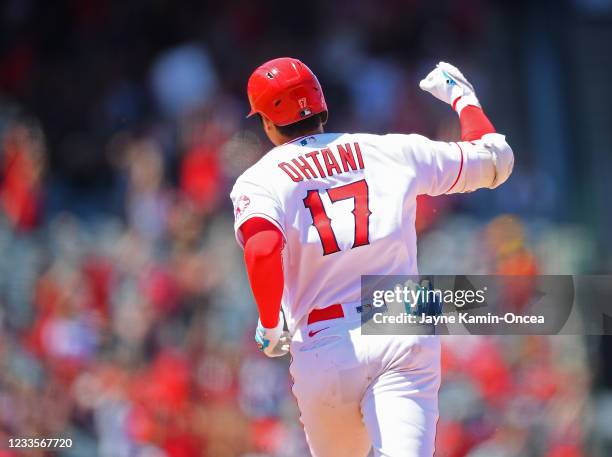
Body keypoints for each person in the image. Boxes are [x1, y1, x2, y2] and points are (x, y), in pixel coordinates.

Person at [230, 57, 513, 457]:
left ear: (267, 123)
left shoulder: (261, 177)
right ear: (322, 106)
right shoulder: (389, 149)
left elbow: (262, 248)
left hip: (325, 342)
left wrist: (271, 321)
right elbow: (494, 160)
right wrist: (461, 97)